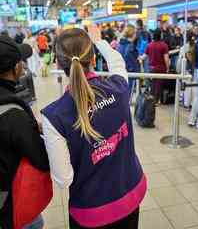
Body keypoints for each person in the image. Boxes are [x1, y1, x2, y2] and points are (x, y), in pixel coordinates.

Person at [41, 26, 146, 229]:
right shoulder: (119, 87)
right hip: (130, 195)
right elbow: (117, 62)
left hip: (91, 211)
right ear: (94, 59)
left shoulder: (54, 116)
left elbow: (63, 179)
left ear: (58, 63)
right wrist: (100, 42)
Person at [0, 36, 49, 228]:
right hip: (9, 207)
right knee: (35, 223)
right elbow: (41, 159)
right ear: (15, 68)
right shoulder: (13, 113)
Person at [141, 29, 170, 103]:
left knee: (153, 84)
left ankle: (152, 99)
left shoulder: (149, 45)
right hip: (161, 68)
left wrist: (139, 58)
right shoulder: (164, 45)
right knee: (159, 85)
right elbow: (166, 59)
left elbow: (144, 57)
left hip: (151, 68)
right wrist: (167, 68)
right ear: (160, 35)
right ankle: (156, 101)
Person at [118, 25, 140, 96]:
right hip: (129, 74)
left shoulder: (120, 45)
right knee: (128, 96)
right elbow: (131, 62)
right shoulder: (131, 47)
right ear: (132, 34)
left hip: (120, 74)